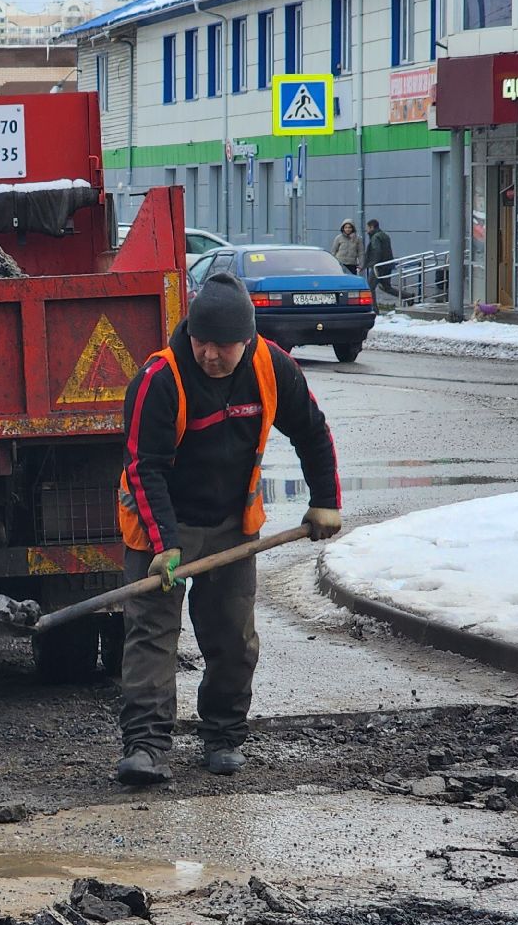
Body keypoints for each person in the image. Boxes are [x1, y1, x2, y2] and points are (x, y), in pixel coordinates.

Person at [114, 272, 342, 785]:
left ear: (247, 339)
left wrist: (325, 502)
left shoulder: (269, 366)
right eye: (201, 341)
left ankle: (222, 735)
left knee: (233, 639)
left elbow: (311, 430)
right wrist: (164, 544)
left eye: (222, 345)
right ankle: (147, 747)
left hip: (231, 525)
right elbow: (142, 466)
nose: (210, 355)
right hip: (160, 525)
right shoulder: (161, 378)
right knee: (152, 636)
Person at [363, 219, 396, 298]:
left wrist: (371, 264)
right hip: (387, 265)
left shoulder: (375, 237)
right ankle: (408, 297)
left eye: (367, 228)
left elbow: (376, 251)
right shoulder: (384, 235)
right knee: (386, 287)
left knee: (369, 288)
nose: (366, 230)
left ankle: (373, 309)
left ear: (371, 227)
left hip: (378, 266)